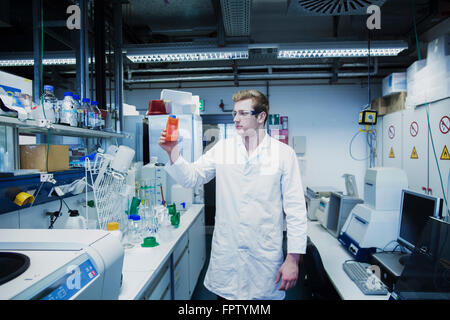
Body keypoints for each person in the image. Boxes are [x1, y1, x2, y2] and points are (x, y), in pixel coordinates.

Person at [159, 89, 307, 300]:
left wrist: (292, 260)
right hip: (228, 257)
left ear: (261, 116)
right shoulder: (223, 149)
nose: (236, 119)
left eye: (243, 113)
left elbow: (295, 210)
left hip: (263, 257)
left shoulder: (283, 155)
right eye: (234, 114)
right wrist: (172, 152)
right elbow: (192, 177)